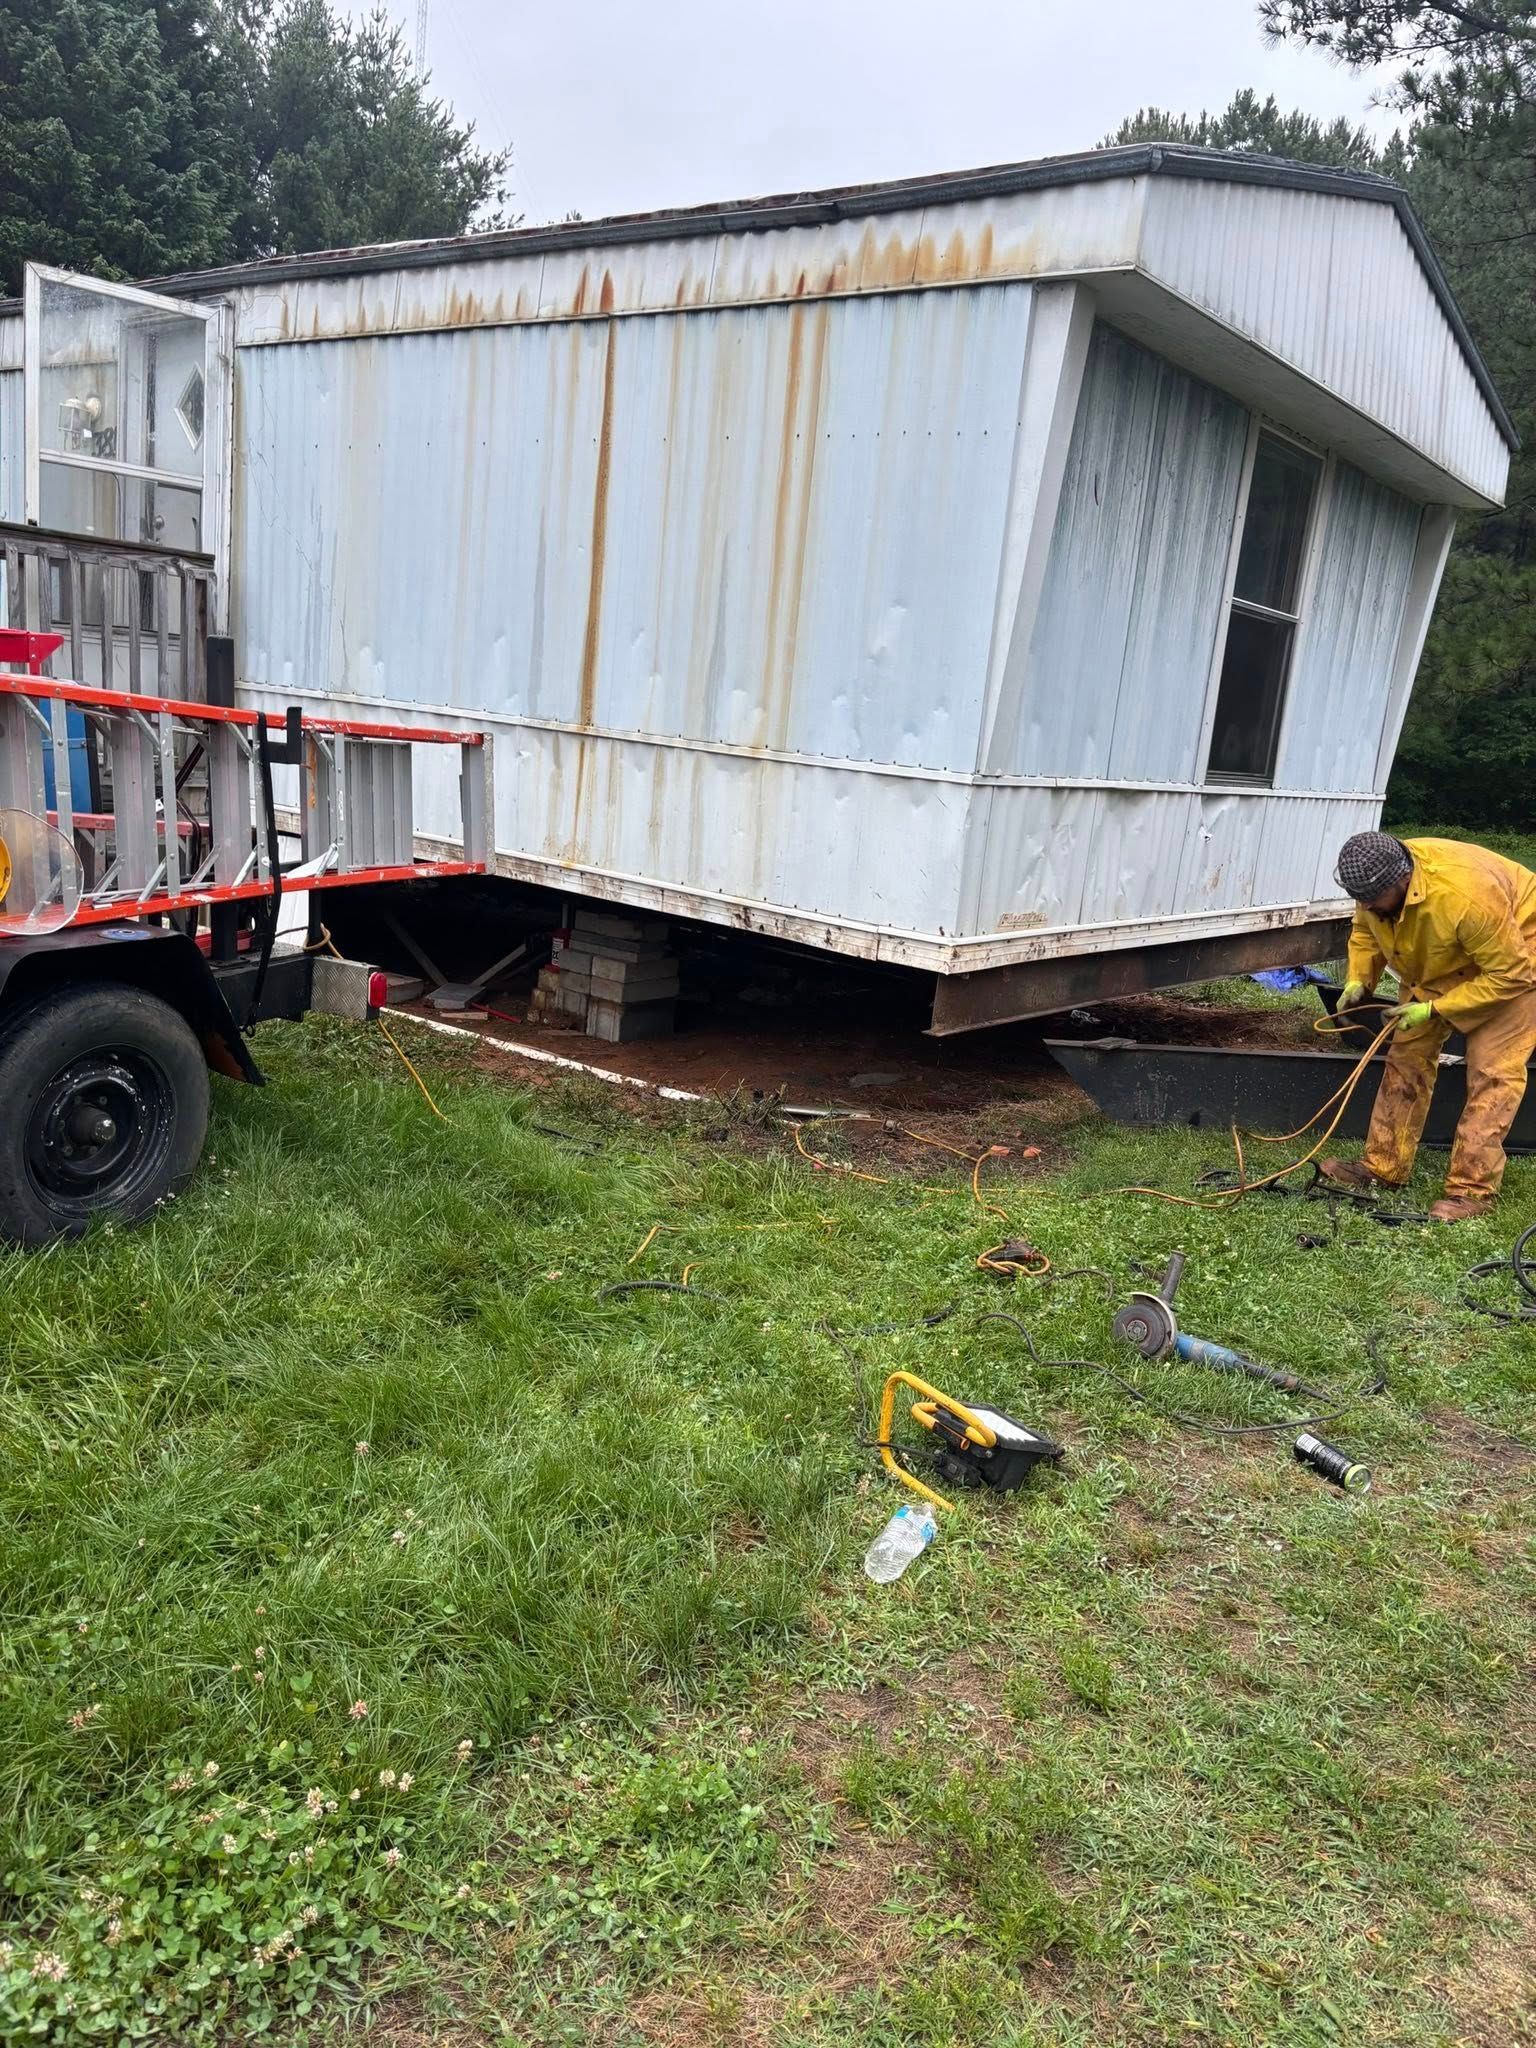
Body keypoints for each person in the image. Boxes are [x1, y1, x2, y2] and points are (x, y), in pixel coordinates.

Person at [1320, 831, 1536, 1220]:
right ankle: (1383, 1167)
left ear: (1403, 880)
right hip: (1448, 952)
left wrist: (1435, 1009)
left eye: (1372, 899)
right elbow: (1366, 930)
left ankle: (1470, 1192)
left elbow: (1511, 975)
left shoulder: (1465, 896)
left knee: (1493, 1072)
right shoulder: (1373, 884)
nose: (1365, 905)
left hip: (1518, 957)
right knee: (1406, 1055)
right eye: (1359, 898)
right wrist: (1359, 977)